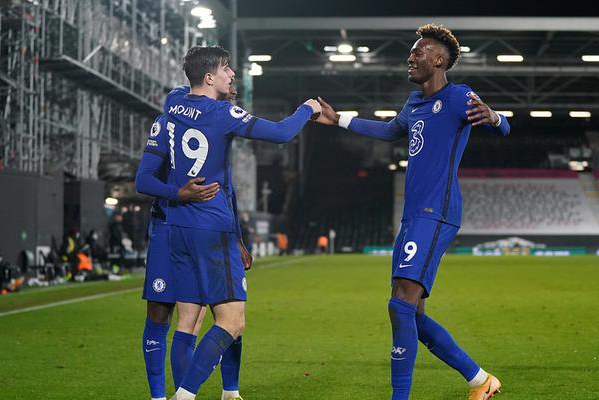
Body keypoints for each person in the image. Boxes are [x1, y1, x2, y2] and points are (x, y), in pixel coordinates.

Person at [315, 24, 510, 400]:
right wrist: (338, 119)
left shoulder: (458, 96)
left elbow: (505, 127)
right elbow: (390, 131)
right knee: (410, 313)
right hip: (412, 216)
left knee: (400, 303)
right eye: (411, 51)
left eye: (419, 52)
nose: (411, 56)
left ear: (438, 60)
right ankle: (480, 380)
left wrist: (495, 117)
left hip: (436, 211)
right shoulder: (414, 103)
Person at [162, 45, 320, 400]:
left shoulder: (173, 103)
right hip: (211, 227)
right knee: (232, 321)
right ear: (209, 77)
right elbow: (281, 133)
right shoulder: (222, 113)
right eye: (226, 69)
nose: (232, 74)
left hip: (179, 227)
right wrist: (307, 108)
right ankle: (184, 396)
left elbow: (185, 92)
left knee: (188, 322)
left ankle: (229, 393)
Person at [136, 83, 251, 400]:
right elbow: (144, 179)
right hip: (168, 227)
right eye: (227, 75)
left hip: (210, 231)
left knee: (223, 312)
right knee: (164, 313)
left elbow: (227, 190)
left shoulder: (220, 127)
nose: (232, 83)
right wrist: (177, 194)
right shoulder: (168, 122)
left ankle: (229, 391)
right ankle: (162, 396)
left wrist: (237, 239)